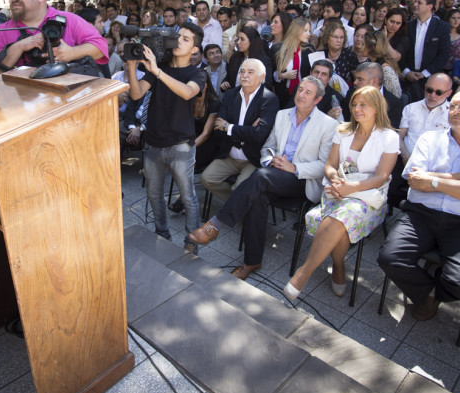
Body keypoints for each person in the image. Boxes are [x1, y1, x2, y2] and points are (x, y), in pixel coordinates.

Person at [377, 91, 460, 320]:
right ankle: (428, 293)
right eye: (452, 107)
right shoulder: (431, 139)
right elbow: (414, 180)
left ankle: (438, 293)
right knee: (389, 258)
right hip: (422, 215)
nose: (455, 111)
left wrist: (435, 180)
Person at [187, 77, 336, 279]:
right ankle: (252, 261)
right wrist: (270, 160)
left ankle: (216, 224)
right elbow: (268, 147)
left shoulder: (328, 125)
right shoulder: (283, 115)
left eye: (308, 92)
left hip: (302, 181)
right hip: (273, 174)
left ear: (317, 99)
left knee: (260, 177)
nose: (301, 94)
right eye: (300, 89)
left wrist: (293, 167)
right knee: (258, 196)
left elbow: (324, 165)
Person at [283, 86, 399, 299]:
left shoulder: (389, 136)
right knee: (340, 222)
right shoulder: (343, 130)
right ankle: (338, 266)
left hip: (368, 198)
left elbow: (381, 176)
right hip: (337, 192)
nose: (357, 109)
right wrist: (334, 179)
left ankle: (304, 272)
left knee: (341, 218)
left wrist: (350, 188)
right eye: (354, 104)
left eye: (363, 104)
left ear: (377, 107)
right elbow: (330, 165)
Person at [126, 21, 207, 251]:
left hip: (181, 145)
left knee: (188, 197)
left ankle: (192, 241)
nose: (179, 41)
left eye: (186, 39)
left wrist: (157, 72)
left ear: (194, 49)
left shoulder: (197, 72)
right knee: (154, 194)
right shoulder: (159, 65)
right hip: (153, 142)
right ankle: (162, 234)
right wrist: (132, 67)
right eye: (178, 36)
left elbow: (188, 92)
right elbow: (136, 93)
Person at [0, 0, 107, 77]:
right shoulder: (1, 31)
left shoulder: (70, 20)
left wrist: (71, 53)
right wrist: (18, 47)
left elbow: (101, 47)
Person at [201, 58, 279, 205]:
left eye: (250, 72)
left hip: (252, 158)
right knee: (207, 179)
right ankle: (239, 206)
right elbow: (218, 129)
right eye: (242, 71)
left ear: (261, 77)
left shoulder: (269, 99)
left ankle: (238, 205)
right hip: (229, 155)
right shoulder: (231, 95)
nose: (244, 75)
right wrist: (248, 128)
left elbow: (259, 134)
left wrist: (229, 127)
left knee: (239, 188)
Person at [402, 0, 451, 102]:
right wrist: (406, 71)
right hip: (408, 78)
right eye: (415, 2)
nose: (415, 4)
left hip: (430, 79)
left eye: (419, 2)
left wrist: (424, 74)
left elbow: (444, 54)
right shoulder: (408, 26)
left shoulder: (442, 27)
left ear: (430, 6)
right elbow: (401, 52)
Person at [221, 25, 274, 92]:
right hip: (235, 99)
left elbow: (267, 83)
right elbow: (229, 77)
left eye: (242, 39)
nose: (238, 42)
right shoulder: (235, 57)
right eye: (238, 39)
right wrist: (225, 82)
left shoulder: (263, 61)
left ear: (252, 41)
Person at [271, 18, 311, 105]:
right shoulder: (278, 49)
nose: (308, 34)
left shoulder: (309, 50)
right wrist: (281, 75)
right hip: (283, 95)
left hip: (303, 95)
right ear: (296, 31)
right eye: (305, 31)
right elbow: (270, 73)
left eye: (309, 31)